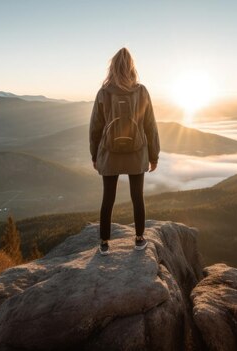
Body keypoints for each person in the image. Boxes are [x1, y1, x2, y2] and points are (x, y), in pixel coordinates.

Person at [89, 47, 160, 256]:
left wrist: (95, 156)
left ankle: (104, 243)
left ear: (112, 68)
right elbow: (151, 126)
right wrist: (154, 155)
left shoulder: (103, 93)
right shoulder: (141, 91)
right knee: (137, 196)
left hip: (109, 154)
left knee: (108, 198)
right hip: (137, 153)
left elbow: (95, 128)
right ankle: (139, 239)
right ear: (131, 67)